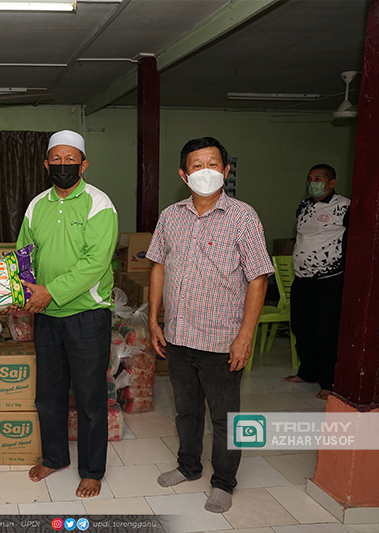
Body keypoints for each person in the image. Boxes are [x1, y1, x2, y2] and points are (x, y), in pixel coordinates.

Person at [146, 137, 273, 513]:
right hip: (179, 336)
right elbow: (158, 265)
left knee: (224, 417)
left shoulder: (243, 216)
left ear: (226, 170)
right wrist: (154, 319)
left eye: (213, 164)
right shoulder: (170, 216)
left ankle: (223, 482)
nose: (206, 172)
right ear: (184, 174)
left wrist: (245, 337)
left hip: (222, 339)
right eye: (197, 166)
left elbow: (258, 278)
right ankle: (188, 466)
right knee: (185, 410)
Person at [15, 130, 118, 499]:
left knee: (90, 397)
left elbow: (95, 263)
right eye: (55, 160)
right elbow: (24, 253)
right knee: (49, 393)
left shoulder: (99, 204)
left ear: (84, 163)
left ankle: (91, 470)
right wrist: (21, 289)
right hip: (45, 314)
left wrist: (50, 292)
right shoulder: (36, 205)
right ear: (46, 164)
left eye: (70, 159)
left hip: (87, 314)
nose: (63, 166)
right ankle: (55, 457)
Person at [285, 164, 350, 399]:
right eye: (310, 178)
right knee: (301, 328)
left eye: (319, 178)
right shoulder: (304, 205)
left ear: (331, 183)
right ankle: (308, 372)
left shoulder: (344, 206)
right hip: (302, 279)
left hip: (328, 280)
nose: (313, 182)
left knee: (325, 332)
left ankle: (329, 382)